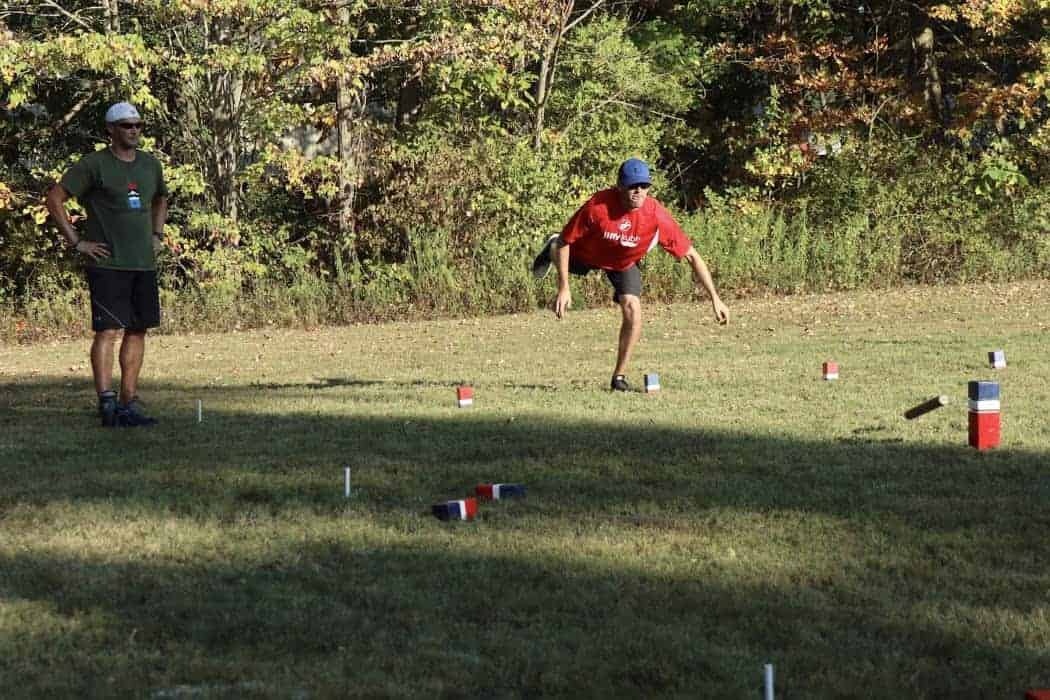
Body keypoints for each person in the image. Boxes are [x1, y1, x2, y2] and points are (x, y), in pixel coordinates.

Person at [531, 158, 729, 391]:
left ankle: (618, 378)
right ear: (619, 186)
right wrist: (564, 287)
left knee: (633, 309)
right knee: (558, 245)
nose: (638, 191)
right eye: (632, 185)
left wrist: (715, 298)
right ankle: (549, 247)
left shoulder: (655, 214)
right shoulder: (598, 207)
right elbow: (567, 241)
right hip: (586, 254)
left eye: (644, 186)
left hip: (623, 262)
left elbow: (692, 256)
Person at [45, 102, 170, 426]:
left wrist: (157, 233)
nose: (134, 131)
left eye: (138, 125)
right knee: (108, 330)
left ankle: (130, 401)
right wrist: (77, 242)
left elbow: (161, 198)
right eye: (127, 125)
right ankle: (107, 403)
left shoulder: (150, 165)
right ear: (110, 130)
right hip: (108, 263)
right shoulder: (93, 165)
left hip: (142, 263)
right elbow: (54, 198)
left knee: (138, 329)